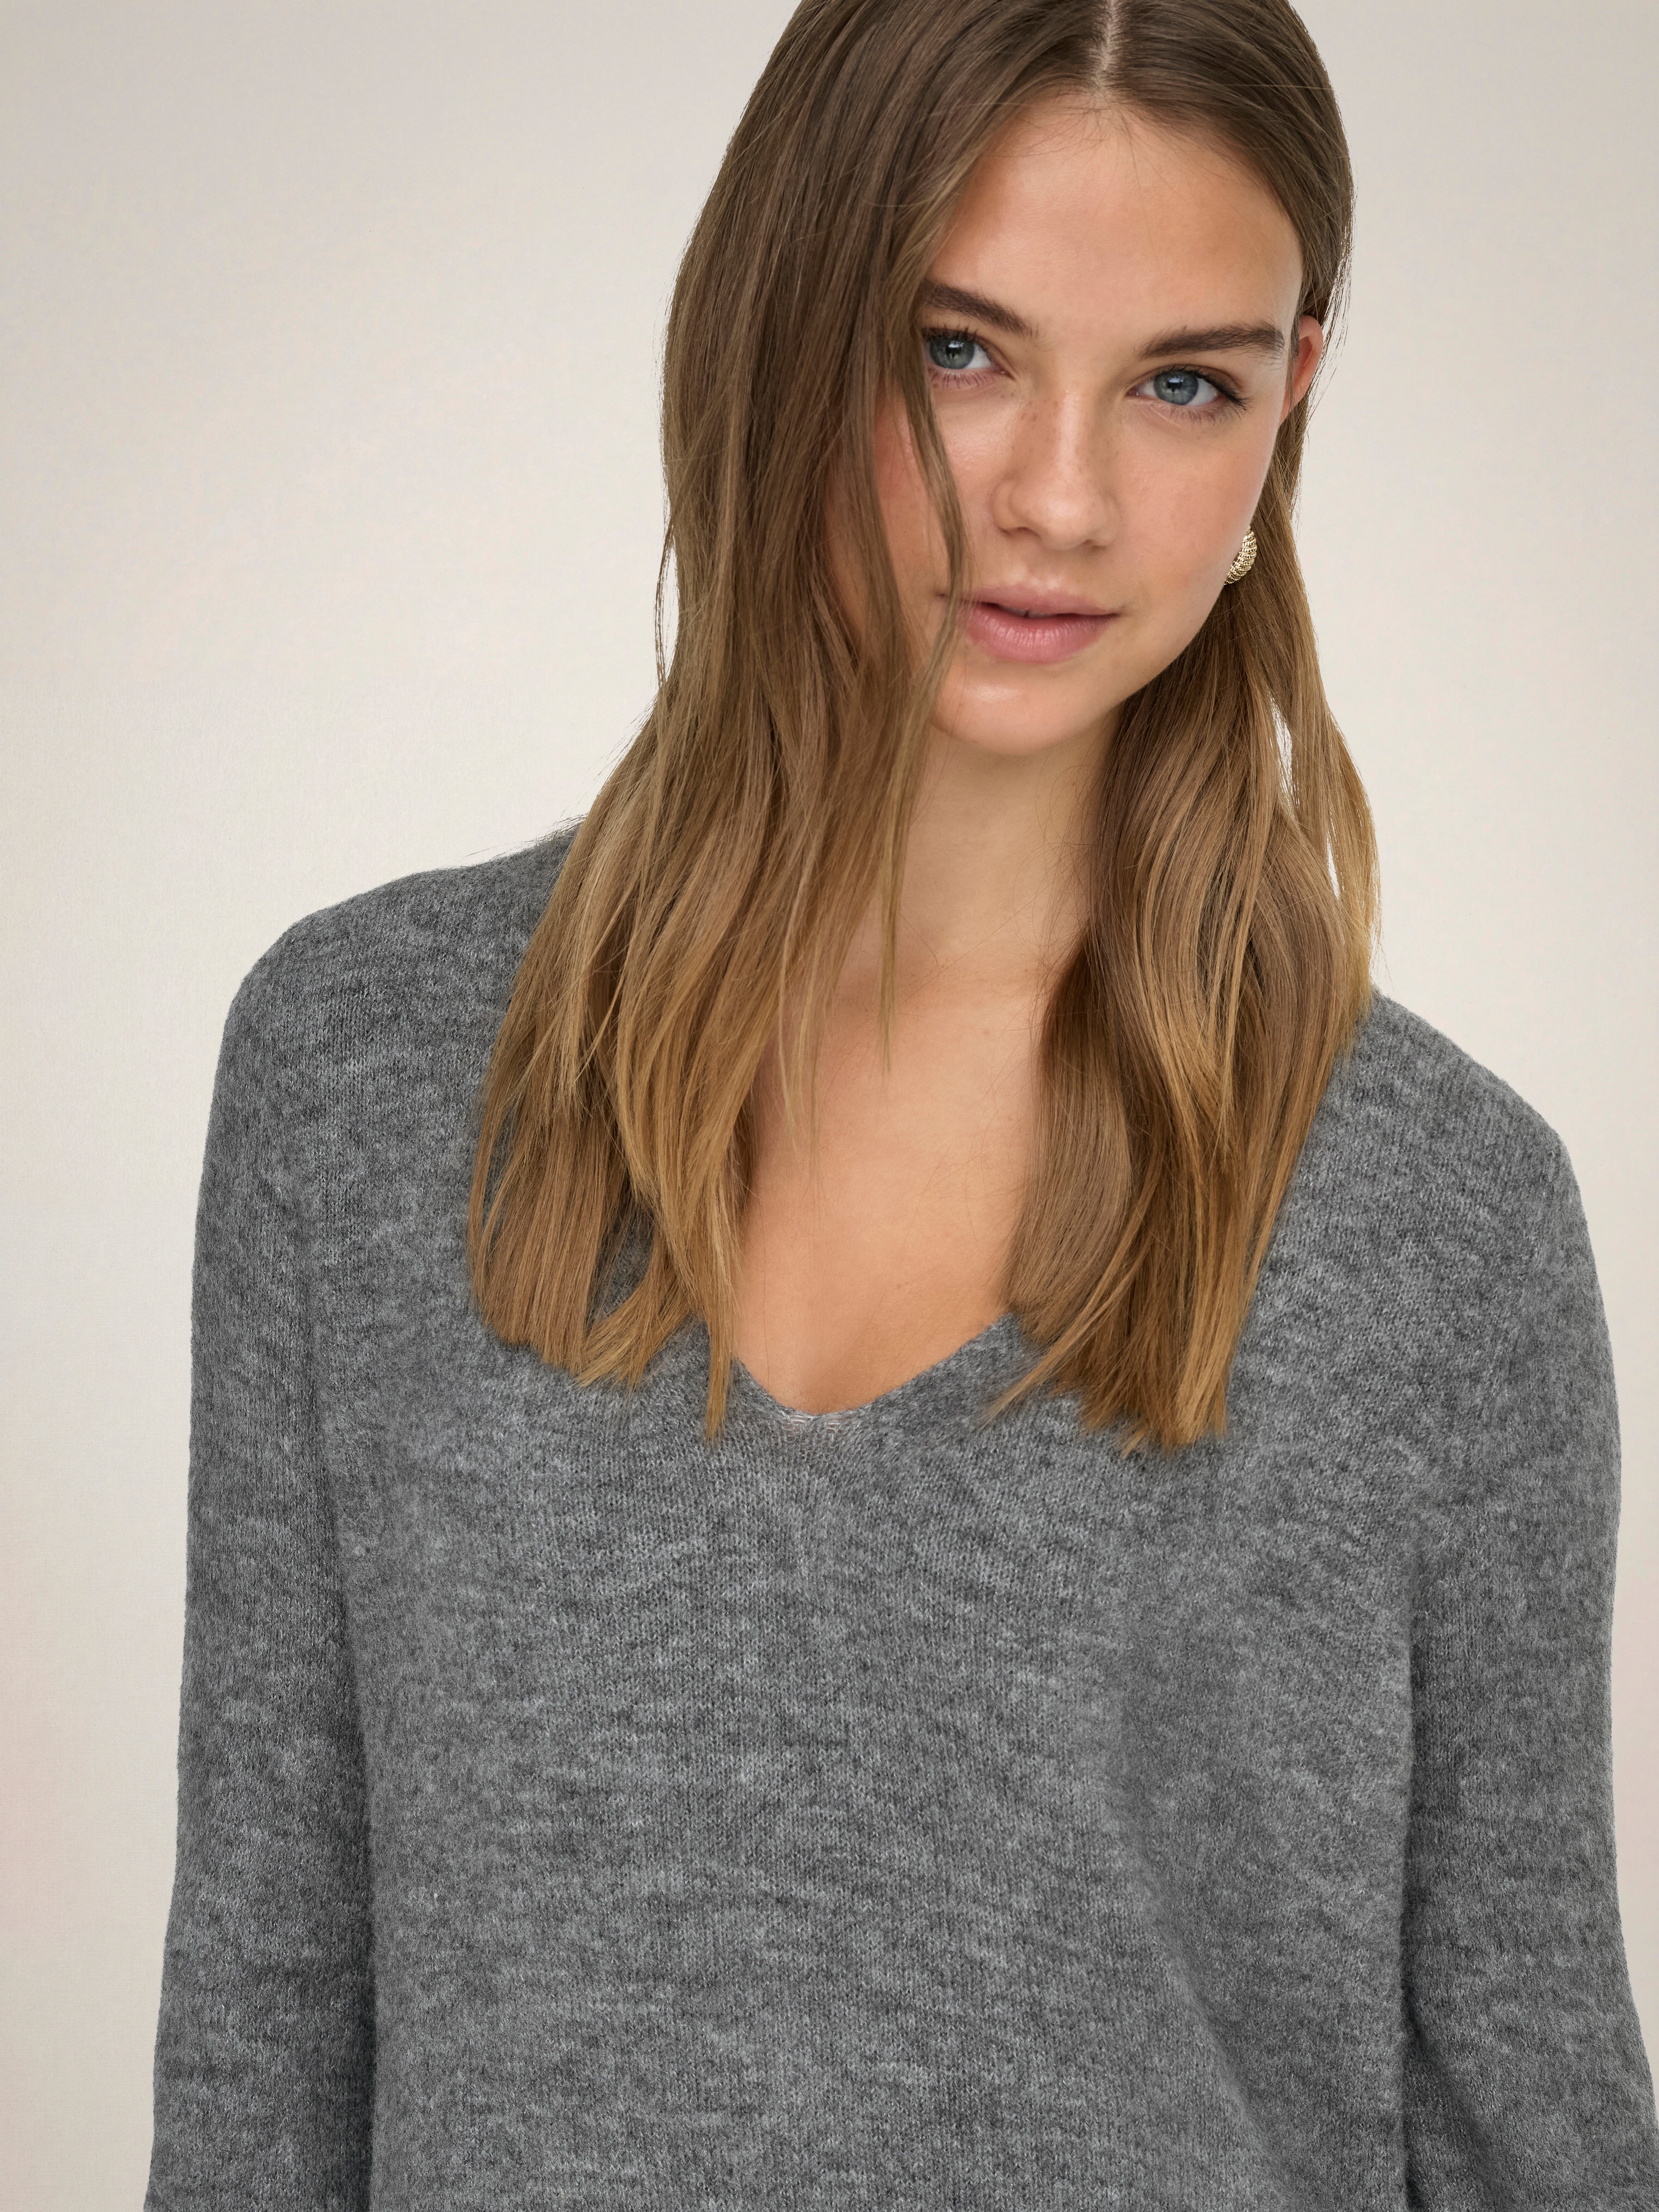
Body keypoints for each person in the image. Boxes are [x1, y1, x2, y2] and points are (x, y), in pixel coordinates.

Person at [145, 0, 1659, 2203]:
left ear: (1286, 413)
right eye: (957, 351)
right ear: (778, 330)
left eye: (1180, 385)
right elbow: (266, 2034)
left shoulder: (1435, 1216)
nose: (1057, 498)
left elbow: (1527, 2114)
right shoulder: (360, 1077)